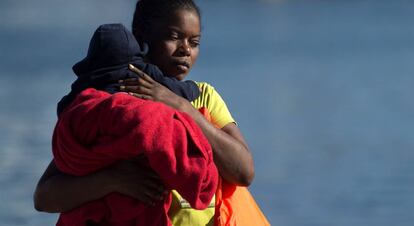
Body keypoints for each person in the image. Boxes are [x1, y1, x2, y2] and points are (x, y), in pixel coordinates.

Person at [34, 0, 255, 225]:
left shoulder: (204, 97)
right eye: (174, 36)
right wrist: (113, 180)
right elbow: (44, 197)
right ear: (142, 38)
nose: (186, 49)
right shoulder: (122, 105)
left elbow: (243, 172)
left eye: (194, 42)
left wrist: (181, 107)